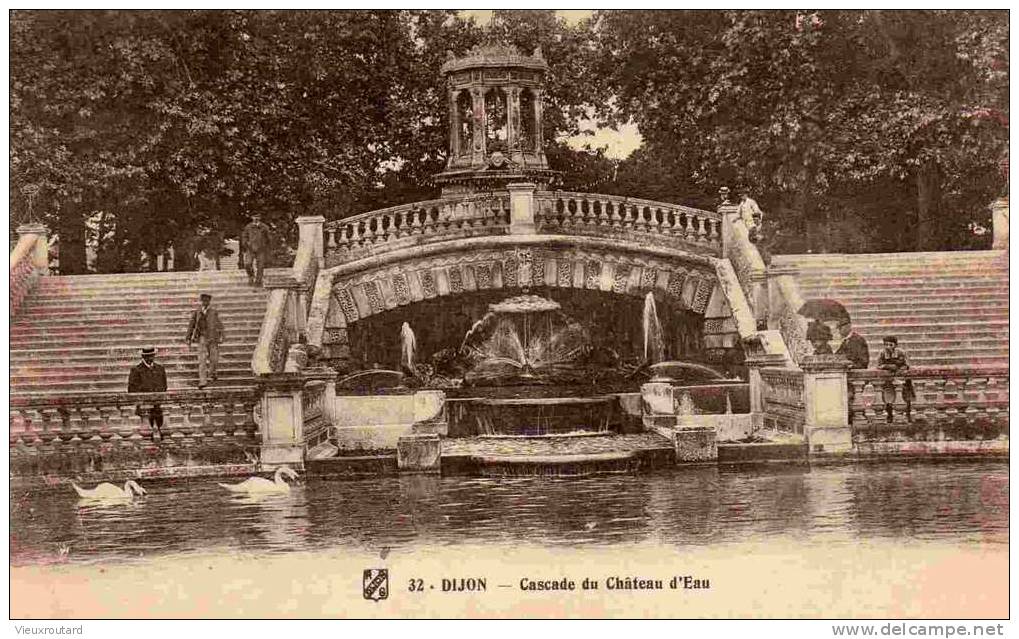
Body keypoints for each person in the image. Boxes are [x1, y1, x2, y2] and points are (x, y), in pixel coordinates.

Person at [185, 293, 224, 389]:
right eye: (203, 301)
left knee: (214, 359)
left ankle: (213, 372)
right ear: (201, 301)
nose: (205, 303)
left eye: (207, 301)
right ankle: (202, 381)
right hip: (201, 337)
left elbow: (220, 325)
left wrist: (222, 335)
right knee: (201, 360)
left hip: (213, 338)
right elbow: (191, 325)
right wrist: (188, 338)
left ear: (209, 302)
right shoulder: (197, 312)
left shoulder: (214, 312)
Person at [128, 347, 167, 439]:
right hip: (145, 405)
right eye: (148, 356)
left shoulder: (160, 368)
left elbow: (164, 385)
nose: (151, 358)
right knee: (147, 431)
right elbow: (132, 389)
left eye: (152, 356)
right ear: (143, 357)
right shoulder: (136, 370)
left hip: (158, 404)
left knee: (163, 429)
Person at [877, 336, 915, 423]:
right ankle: (889, 415)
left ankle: (908, 415)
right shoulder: (882, 353)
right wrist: (888, 366)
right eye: (886, 345)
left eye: (891, 345)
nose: (888, 347)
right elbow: (879, 365)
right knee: (888, 397)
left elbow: (907, 365)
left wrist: (900, 369)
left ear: (895, 345)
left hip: (902, 378)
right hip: (889, 379)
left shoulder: (902, 353)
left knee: (906, 397)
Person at [241, 213, 273, 286]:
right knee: (247, 264)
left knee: (260, 266)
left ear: (260, 217)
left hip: (261, 249)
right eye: (254, 216)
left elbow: (269, 238)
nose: (256, 218)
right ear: (252, 217)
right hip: (250, 249)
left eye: (257, 216)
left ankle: (258, 281)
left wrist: (265, 246)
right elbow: (244, 236)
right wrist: (246, 244)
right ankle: (251, 276)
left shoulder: (264, 227)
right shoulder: (248, 227)